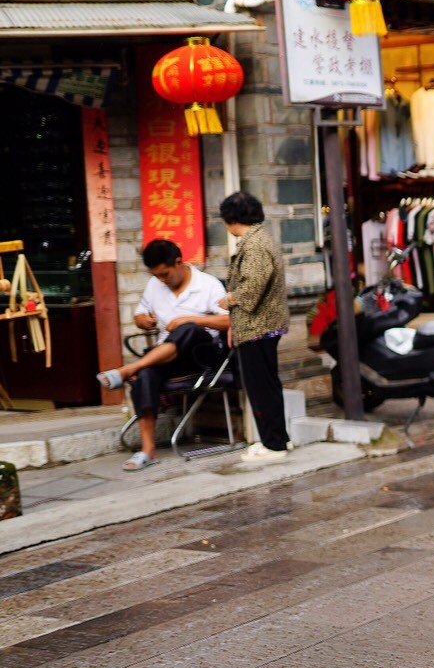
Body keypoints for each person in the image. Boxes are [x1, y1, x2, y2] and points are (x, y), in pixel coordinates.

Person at [95, 240, 230, 471]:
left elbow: (228, 320)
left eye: (165, 274)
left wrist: (191, 318)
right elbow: (139, 314)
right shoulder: (154, 285)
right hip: (166, 357)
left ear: (178, 262)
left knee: (186, 329)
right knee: (146, 375)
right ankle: (148, 450)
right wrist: (144, 321)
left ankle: (128, 369)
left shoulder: (208, 285)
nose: (161, 280)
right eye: (156, 275)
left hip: (201, 356)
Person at [219, 191, 291, 462]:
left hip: (258, 326)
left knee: (261, 387)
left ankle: (273, 445)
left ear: (231, 218)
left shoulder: (254, 244)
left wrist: (230, 299)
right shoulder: (259, 239)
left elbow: (253, 284)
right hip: (259, 325)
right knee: (267, 384)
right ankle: (278, 439)